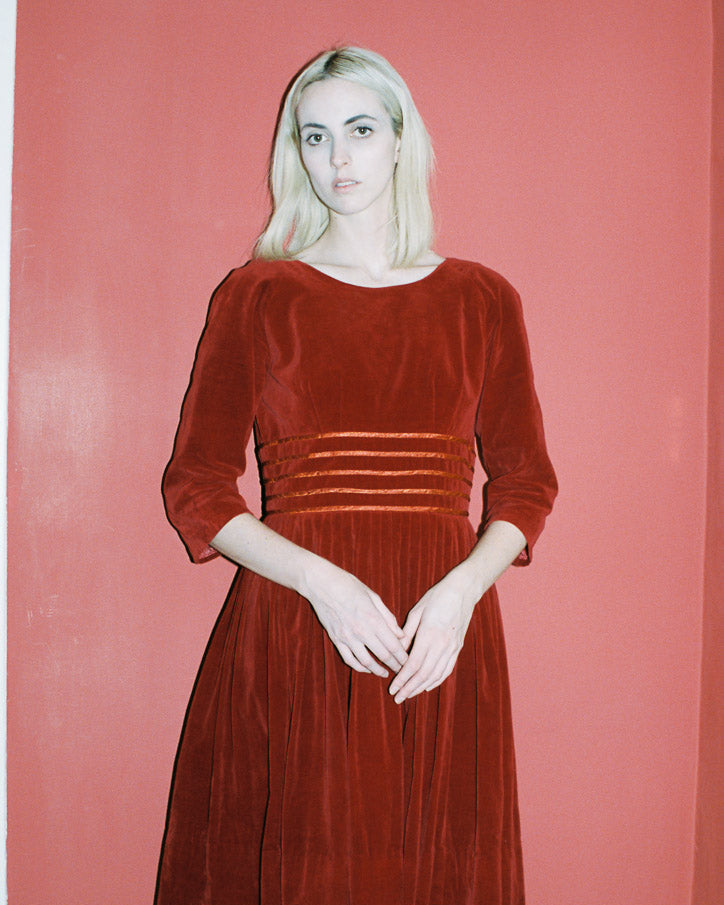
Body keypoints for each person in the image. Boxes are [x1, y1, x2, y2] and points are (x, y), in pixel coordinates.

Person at [156, 46, 557, 905]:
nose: (337, 158)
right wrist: (323, 585)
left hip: (437, 641)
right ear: (294, 153)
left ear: (402, 140)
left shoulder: (482, 299)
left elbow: (527, 484)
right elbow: (196, 486)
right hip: (297, 629)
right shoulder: (257, 295)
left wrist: (460, 597)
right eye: (315, 136)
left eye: (361, 130)